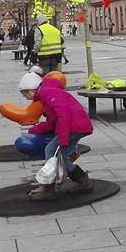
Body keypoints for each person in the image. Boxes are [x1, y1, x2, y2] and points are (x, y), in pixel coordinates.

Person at [25, 73, 95, 201]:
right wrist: (35, 130)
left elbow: (63, 115)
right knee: (59, 158)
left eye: (25, 94)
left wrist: (63, 138)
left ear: (31, 89)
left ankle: (49, 188)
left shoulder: (48, 93)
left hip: (75, 126)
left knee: (50, 151)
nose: (26, 98)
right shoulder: (47, 94)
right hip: (78, 125)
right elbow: (52, 121)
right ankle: (83, 182)